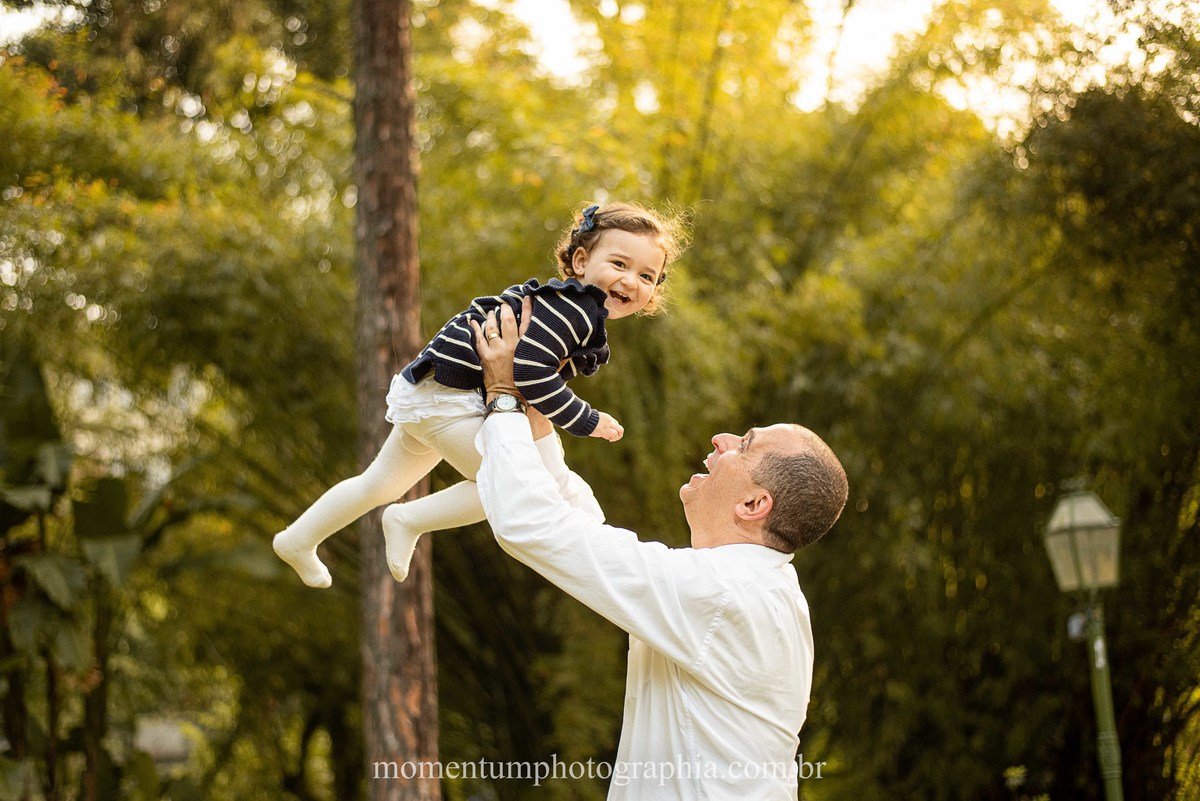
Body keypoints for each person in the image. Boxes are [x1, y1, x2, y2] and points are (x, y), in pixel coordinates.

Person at [468, 301, 849, 801]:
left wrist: (502, 398)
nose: (722, 438)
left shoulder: (721, 592)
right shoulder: (756, 589)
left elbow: (532, 525)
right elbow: (586, 536)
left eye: (746, 444)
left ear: (756, 503)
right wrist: (538, 414)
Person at [272, 202, 688, 588]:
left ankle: (298, 539)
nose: (631, 281)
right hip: (451, 399)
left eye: (647, 276)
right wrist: (587, 418)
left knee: (378, 482)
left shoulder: (568, 306)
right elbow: (528, 375)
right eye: (619, 264)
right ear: (581, 262)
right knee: (507, 484)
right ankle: (408, 519)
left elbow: (529, 382)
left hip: (435, 389)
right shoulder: (575, 311)